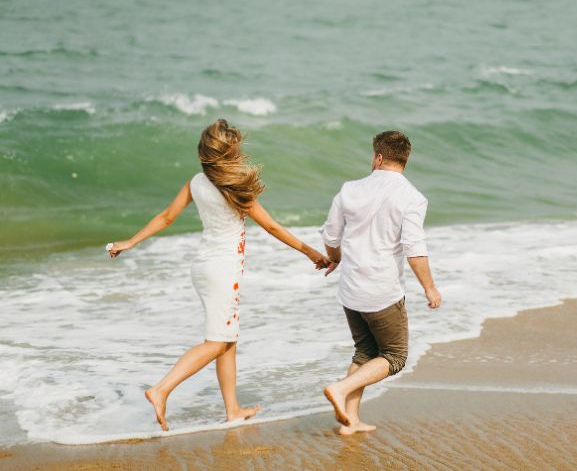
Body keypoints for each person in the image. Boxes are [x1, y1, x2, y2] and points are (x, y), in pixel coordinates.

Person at [106, 119, 330, 431]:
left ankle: (233, 409)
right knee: (216, 342)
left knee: (228, 340)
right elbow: (272, 226)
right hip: (222, 272)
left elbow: (166, 217)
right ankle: (161, 389)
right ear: (231, 152)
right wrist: (310, 252)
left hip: (203, 267)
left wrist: (131, 241)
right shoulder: (234, 188)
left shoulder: (196, 182)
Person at [319, 130, 442, 435]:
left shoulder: (349, 189)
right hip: (382, 291)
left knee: (364, 352)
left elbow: (331, 236)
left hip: (350, 289)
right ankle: (340, 388)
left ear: (378, 157)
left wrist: (333, 258)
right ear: (405, 160)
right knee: (395, 357)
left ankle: (350, 421)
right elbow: (414, 249)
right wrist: (429, 287)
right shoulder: (412, 197)